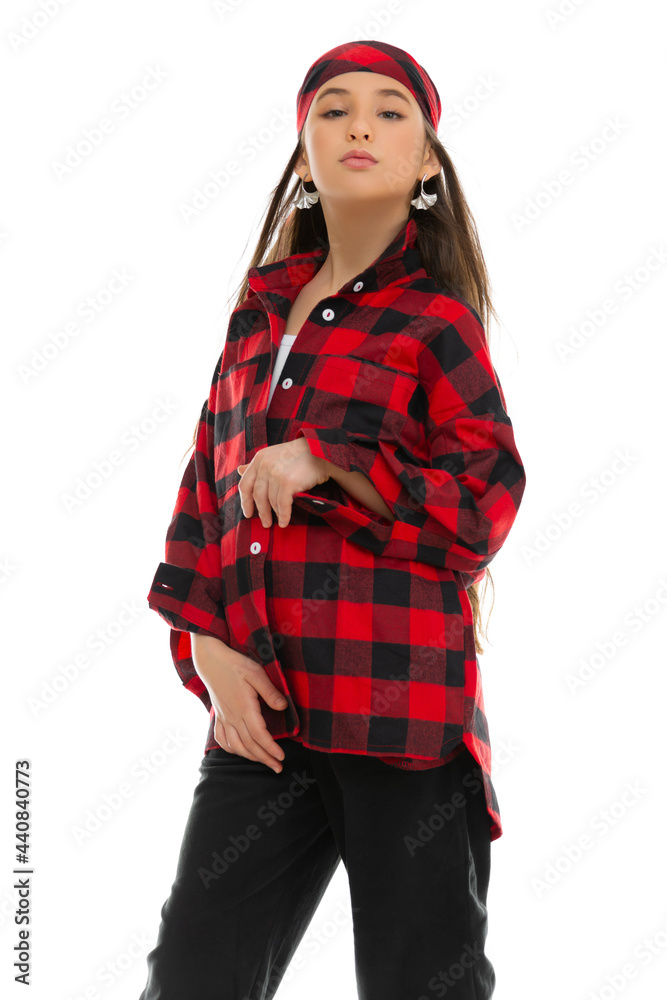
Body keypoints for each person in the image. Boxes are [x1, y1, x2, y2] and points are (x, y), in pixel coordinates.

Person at [138, 39, 527, 1000]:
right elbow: (205, 484)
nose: (359, 125)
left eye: (390, 111)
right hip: (263, 715)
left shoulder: (435, 322)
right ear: (303, 154)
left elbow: (481, 506)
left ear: (426, 161)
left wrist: (331, 460)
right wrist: (203, 645)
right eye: (333, 108)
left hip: (397, 713)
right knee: (192, 977)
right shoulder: (257, 312)